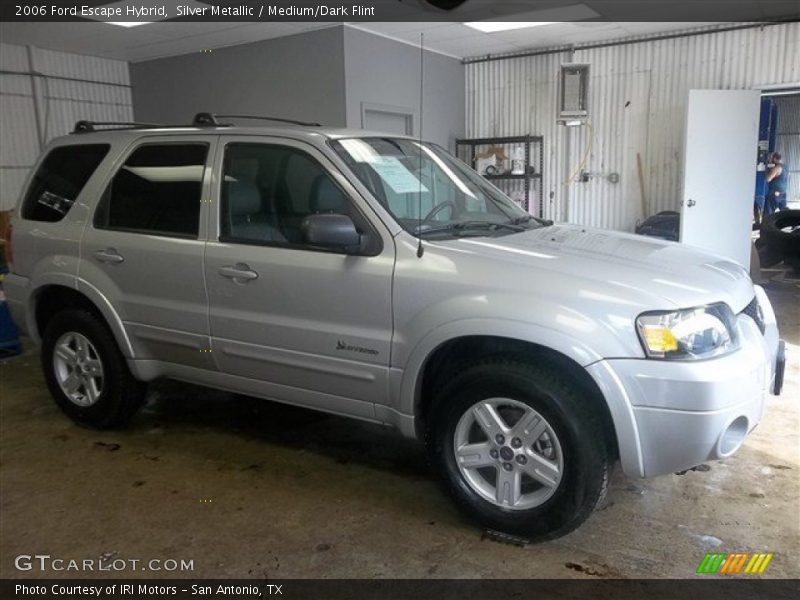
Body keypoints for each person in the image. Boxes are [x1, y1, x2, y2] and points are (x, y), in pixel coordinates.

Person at [765, 152, 788, 216]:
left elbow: (768, 179)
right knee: (784, 211)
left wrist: (768, 171)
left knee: (769, 212)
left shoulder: (776, 168)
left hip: (774, 193)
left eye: (772, 158)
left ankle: (767, 225)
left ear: (775, 158)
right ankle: (790, 221)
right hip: (783, 193)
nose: (771, 160)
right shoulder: (785, 166)